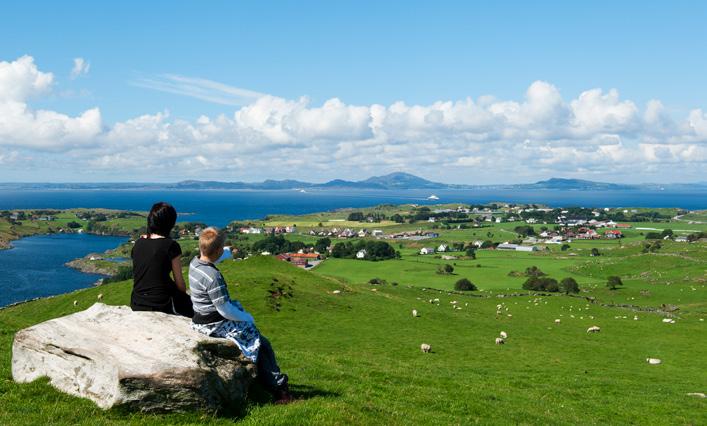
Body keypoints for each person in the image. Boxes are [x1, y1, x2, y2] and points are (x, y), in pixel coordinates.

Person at [189, 227, 292, 404]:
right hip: (213, 323)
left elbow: (215, 254)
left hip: (200, 317)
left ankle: (273, 383)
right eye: (222, 249)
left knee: (259, 339)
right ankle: (279, 390)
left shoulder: (195, 264)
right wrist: (247, 318)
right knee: (261, 343)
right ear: (218, 250)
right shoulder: (213, 276)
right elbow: (225, 311)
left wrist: (226, 251)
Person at [130, 202, 193, 317]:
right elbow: (179, 283)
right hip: (162, 303)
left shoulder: (138, 243)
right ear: (170, 223)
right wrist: (184, 297)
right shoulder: (171, 246)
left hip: (137, 301)